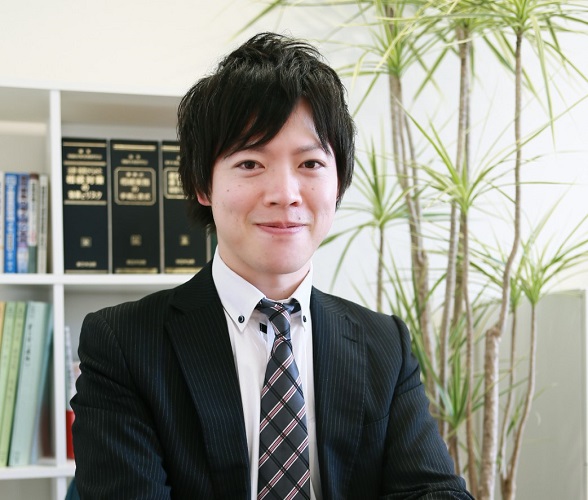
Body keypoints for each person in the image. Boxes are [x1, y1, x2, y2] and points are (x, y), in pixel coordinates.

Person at [71, 32, 473, 499]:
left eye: (310, 164)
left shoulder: (385, 344)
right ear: (202, 184)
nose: (285, 193)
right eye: (250, 163)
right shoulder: (123, 345)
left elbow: (435, 491)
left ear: (339, 182)